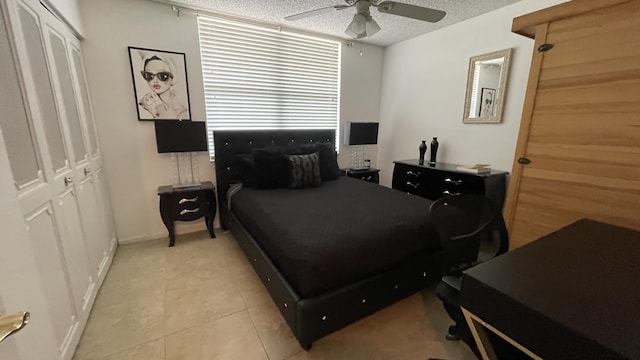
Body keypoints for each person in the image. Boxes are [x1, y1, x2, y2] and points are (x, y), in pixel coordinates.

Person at [138, 55, 189, 119]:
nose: (155, 80)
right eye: (149, 75)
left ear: (172, 78)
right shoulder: (144, 104)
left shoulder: (181, 110)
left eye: (162, 75)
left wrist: (157, 111)